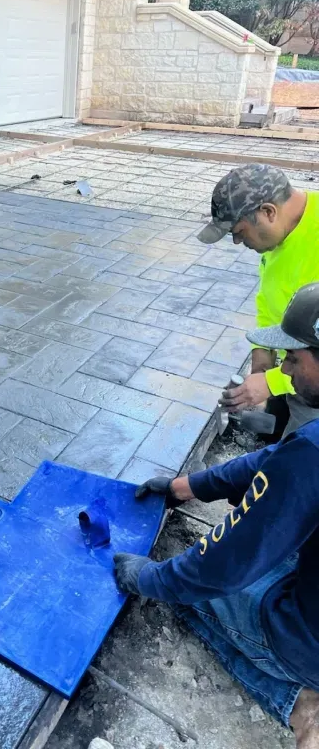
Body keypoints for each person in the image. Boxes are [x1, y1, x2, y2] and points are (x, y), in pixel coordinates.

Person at [114, 282, 319, 748]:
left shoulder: (313, 452)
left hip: (310, 642)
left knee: (192, 592)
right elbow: (277, 463)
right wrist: (188, 487)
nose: (283, 367)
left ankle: (303, 707)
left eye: (295, 358)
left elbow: (222, 566)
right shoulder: (308, 450)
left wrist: (149, 577)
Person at [197, 164, 319, 437]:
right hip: (298, 369)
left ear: (268, 212)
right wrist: (261, 368)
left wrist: (272, 382)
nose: (237, 242)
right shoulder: (284, 234)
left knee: (301, 459)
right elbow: (270, 302)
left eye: (239, 231)